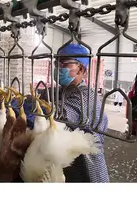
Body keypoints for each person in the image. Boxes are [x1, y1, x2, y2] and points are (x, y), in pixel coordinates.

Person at [43, 43, 110, 182]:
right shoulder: (59, 91)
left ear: (81, 70)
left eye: (64, 63)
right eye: (57, 63)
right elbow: (42, 100)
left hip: (87, 168)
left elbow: (57, 115)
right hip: (67, 166)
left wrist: (31, 107)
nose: (59, 68)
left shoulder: (86, 96)